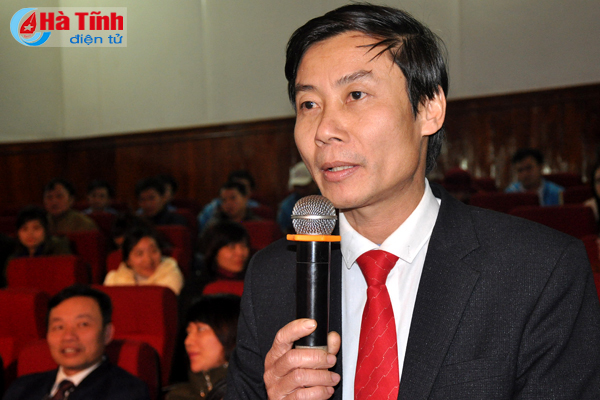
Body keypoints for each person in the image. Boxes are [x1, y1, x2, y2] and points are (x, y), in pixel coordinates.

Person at [225, 4, 600, 400]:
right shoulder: (272, 278)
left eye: (356, 95)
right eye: (309, 105)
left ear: (429, 109)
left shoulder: (539, 271)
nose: (324, 130)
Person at [2, 284, 150, 400]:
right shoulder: (22, 387)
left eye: (83, 324)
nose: (68, 336)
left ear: (107, 334)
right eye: (58, 327)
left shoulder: (128, 392)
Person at [166, 294, 240, 400]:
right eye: (188, 332)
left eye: (200, 329)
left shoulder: (254, 392)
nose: (187, 341)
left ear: (232, 331)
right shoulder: (177, 396)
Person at [104, 226, 184, 295]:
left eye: (153, 251)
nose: (148, 260)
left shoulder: (171, 276)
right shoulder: (113, 281)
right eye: (139, 254)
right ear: (128, 261)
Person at [197, 170, 262, 234]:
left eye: (233, 198)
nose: (228, 204)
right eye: (224, 200)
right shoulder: (214, 225)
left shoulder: (257, 223)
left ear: (245, 198)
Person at [277, 161, 320, 234]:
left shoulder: (330, 200)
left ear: (314, 182)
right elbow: (284, 232)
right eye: (298, 187)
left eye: (305, 187)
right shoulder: (287, 206)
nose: (301, 191)